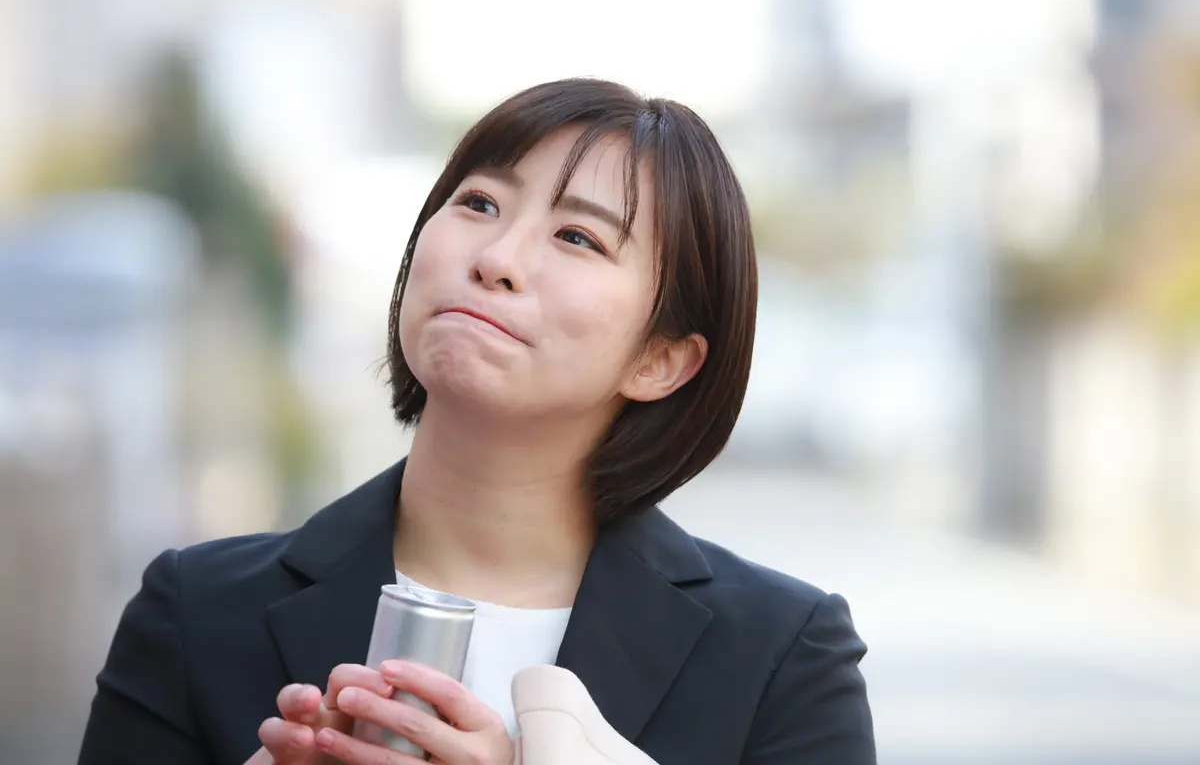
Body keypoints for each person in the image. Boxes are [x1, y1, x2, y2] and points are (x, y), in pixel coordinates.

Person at [78, 78, 875, 764]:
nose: (495, 256)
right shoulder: (195, 612)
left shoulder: (780, 656)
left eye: (576, 236)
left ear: (661, 359)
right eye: (479, 202)